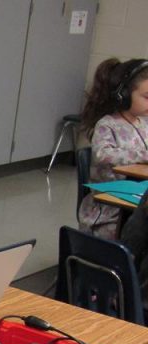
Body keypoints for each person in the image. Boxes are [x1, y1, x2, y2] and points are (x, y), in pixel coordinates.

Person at [78, 58, 148, 240]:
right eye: (147, 97)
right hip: (110, 212)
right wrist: (142, 155)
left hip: (136, 204)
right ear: (123, 94)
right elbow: (103, 154)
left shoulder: (143, 124)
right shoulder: (108, 125)